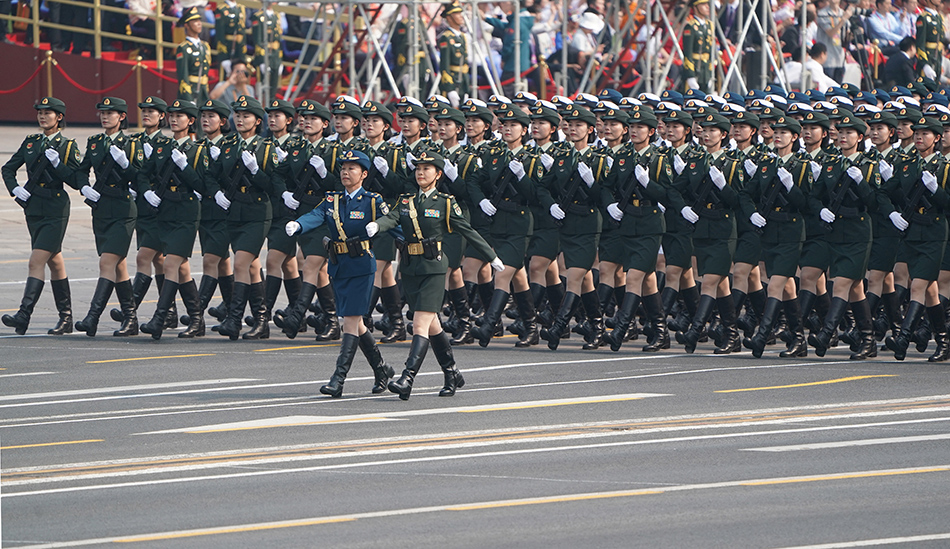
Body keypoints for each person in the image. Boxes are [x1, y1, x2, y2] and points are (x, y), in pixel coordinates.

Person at [368, 152, 503, 400]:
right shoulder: (406, 201)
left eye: (427, 169)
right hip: (410, 268)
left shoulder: (445, 203)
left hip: (434, 267)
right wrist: (378, 225)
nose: (421, 173)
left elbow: (467, 230)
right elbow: (392, 217)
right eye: (418, 168)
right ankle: (451, 372)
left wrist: (491, 256)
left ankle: (407, 378)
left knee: (420, 323)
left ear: (438, 175)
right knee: (433, 326)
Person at [285, 150, 395, 397]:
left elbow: (393, 224)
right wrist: (299, 224)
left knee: (350, 322)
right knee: (355, 323)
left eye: (352, 168)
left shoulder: (372, 201)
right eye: (343, 168)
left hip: (361, 267)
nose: (346, 172)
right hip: (339, 265)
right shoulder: (333, 200)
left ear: (364, 174)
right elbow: (316, 215)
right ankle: (381, 370)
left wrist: (411, 243)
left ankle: (338, 379)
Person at [602, 108, 683, 352]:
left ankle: (620, 329)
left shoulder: (660, 157)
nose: (635, 131)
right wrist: (610, 205)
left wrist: (649, 184)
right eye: (632, 127)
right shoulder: (623, 155)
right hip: (627, 222)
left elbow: (670, 194)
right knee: (648, 281)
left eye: (641, 127)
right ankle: (661, 333)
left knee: (634, 276)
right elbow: (607, 186)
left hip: (650, 223)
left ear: (651, 131)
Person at [1, 97, 81, 335]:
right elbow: (8, 168)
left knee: (36, 261)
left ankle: (24, 315)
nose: (42, 116)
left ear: (60, 117)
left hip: (55, 208)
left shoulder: (67, 147)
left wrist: (59, 164)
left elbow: (76, 181)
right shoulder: (31, 142)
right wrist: (15, 188)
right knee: (54, 261)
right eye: (40, 113)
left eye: (48, 113)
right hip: (34, 207)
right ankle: (66, 318)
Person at [468, 106, 544, 348]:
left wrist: (522, 177)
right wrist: (481, 199)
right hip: (497, 222)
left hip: (520, 224)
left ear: (524, 130)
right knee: (518, 277)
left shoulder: (532, 159)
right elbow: (474, 181)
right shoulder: (494, 154)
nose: (507, 129)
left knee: (502, 274)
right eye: (504, 125)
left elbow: (535, 195)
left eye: (514, 125)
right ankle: (531, 328)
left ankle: (489, 325)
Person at [538, 105, 612, 350]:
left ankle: (559, 326)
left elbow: (605, 195)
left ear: (591, 129)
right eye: (570, 124)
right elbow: (542, 187)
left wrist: (591, 182)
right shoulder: (561, 155)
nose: (573, 129)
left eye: (579, 125)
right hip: (567, 223)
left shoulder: (600, 158)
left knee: (575, 275)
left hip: (590, 223)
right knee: (585, 278)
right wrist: (551, 205)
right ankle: (598, 327)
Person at [205, 96, 280, 340]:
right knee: (251, 266)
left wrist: (256, 171)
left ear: (258, 121)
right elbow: (210, 175)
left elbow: (272, 185)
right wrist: (216, 193)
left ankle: (234, 320)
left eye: (246, 116)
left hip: (257, 213)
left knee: (240, 263)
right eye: (237, 115)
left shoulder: (267, 148)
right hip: (233, 211)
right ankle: (261, 321)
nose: (240, 119)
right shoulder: (228, 145)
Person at [807, 113, 880, 359]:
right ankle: (868, 339)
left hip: (859, 230)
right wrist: (821, 210)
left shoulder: (868, 166)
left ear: (860, 137)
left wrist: (861, 182)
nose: (843, 137)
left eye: (849, 133)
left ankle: (827, 333)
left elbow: (873, 202)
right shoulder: (831, 164)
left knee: (841, 283)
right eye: (841, 132)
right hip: (836, 230)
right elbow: (814, 196)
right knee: (855, 288)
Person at [739, 115, 813, 358]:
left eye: (784, 132)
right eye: (775, 131)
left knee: (776, 284)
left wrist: (791, 187)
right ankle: (799, 340)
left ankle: (762, 334)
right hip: (769, 231)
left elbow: (805, 203)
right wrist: (752, 214)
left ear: (794, 137)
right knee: (788, 288)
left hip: (792, 232)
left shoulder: (802, 165)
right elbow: (745, 195)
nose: (777, 135)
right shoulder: (766, 164)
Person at [673, 111, 746, 354]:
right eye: (704, 130)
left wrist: (723, 186)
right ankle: (732, 335)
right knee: (721, 285)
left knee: (709, 281)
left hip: (725, 229)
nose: (706, 134)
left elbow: (739, 201)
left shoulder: (733, 161)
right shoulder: (695, 160)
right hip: (702, 228)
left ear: (724, 135)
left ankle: (695, 330)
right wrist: (683, 208)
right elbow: (675, 190)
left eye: (713, 130)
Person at [137, 100, 209, 340]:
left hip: (187, 212)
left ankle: (159, 318)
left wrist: (184, 166)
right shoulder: (162, 147)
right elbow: (142, 174)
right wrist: (147, 191)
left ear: (191, 122)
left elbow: (202, 185)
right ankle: (197, 320)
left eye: (181, 116)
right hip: (164, 210)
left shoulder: (199, 150)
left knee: (170, 264)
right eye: (172, 115)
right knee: (182, 269)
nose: (174, 120)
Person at [73, 97, 143, 337]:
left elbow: (140, 177)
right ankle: (130, 319)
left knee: (106, 263)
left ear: (122, 116)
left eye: (111, 113)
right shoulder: (95, 143)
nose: (105, 116)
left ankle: (92, 318)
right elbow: (81, 172)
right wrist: (84, 187)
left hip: (123, 208)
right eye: (102, 112)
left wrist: (125, 164)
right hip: (101, 208)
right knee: (118, 266)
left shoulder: (132, 144)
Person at [884, 115, 950, 360]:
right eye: (917, 133)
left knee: (918, 284)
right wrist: (891, 213)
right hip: (912, 231)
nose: (920, 137)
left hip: (934, 232)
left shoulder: (945, 167)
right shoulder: (906, 165)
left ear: (937, 138)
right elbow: (884, 193)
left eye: (926, 134)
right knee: (930, 290)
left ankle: (903, 337)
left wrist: (936, 191)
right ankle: (943, 342)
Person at [250, 99, 303, 340]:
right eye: (270, 115)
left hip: (288, 213)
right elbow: (264, 181)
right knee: (288, 264)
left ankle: (264, 317)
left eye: (278, 115)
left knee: (273, 261)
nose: (273, 119)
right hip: (267, 210)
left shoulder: (297, 144)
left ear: (289, 120)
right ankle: (297, 316)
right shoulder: (261, 144)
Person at [176, 7, 212, 104]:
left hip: (203, 90)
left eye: (199, 20)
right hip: (192, 91)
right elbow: (183, 75)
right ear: (187, 25)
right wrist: (188, 98)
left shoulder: (205, 46)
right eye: (195, 21)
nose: (199, 23)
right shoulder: (183, 48)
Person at [438, 0, 469, 107]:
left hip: (463, 79)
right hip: (453, 79)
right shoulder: (446, 37)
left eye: (461, 13)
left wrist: (466, 86)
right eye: (457, 14)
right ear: (449, 18)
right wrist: (449, 88)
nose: (461, 16)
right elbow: (444, 65)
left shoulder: (462, 36)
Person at [816, 0, 853, 83]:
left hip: (839, 57)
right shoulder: (823, 13)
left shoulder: (843, 13)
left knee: (838, 87)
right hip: (828, 58)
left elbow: (846, 35)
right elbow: (831, 33)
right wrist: (843, 20)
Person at [681, 0, 714, 92]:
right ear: (695, 7)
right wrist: (690, 75)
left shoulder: (709, 25)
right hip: (695, 67)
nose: (707, 7)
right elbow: (688, 52)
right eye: (703, 4)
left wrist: (710, 72)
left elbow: (710, 50)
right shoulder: (690, 26)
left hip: (705, 70)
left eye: (707, 4)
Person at [252, 5, 283, 97]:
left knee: (273, 86)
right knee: (261, 85)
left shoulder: (276, 16)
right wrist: (261, 60)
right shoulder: (258, 16)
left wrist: (279, 59)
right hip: (263, 53)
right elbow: (257, 39)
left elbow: (278, 39)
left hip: (275, 55)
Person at [213, 0, 247, 69]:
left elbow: (242, 29)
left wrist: (243, 44)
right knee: (226, 69)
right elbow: (220, 31)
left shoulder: (241, 8)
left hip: (239, 45)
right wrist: (223, 47)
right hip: (227, 45)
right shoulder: (221, 9)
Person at [916, 0, 945, 80]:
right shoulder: (923, 18)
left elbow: (942, 38)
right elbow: (920, 43)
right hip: (928, 57)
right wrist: (925, 65)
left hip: (937, 57)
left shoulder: (939, 17)